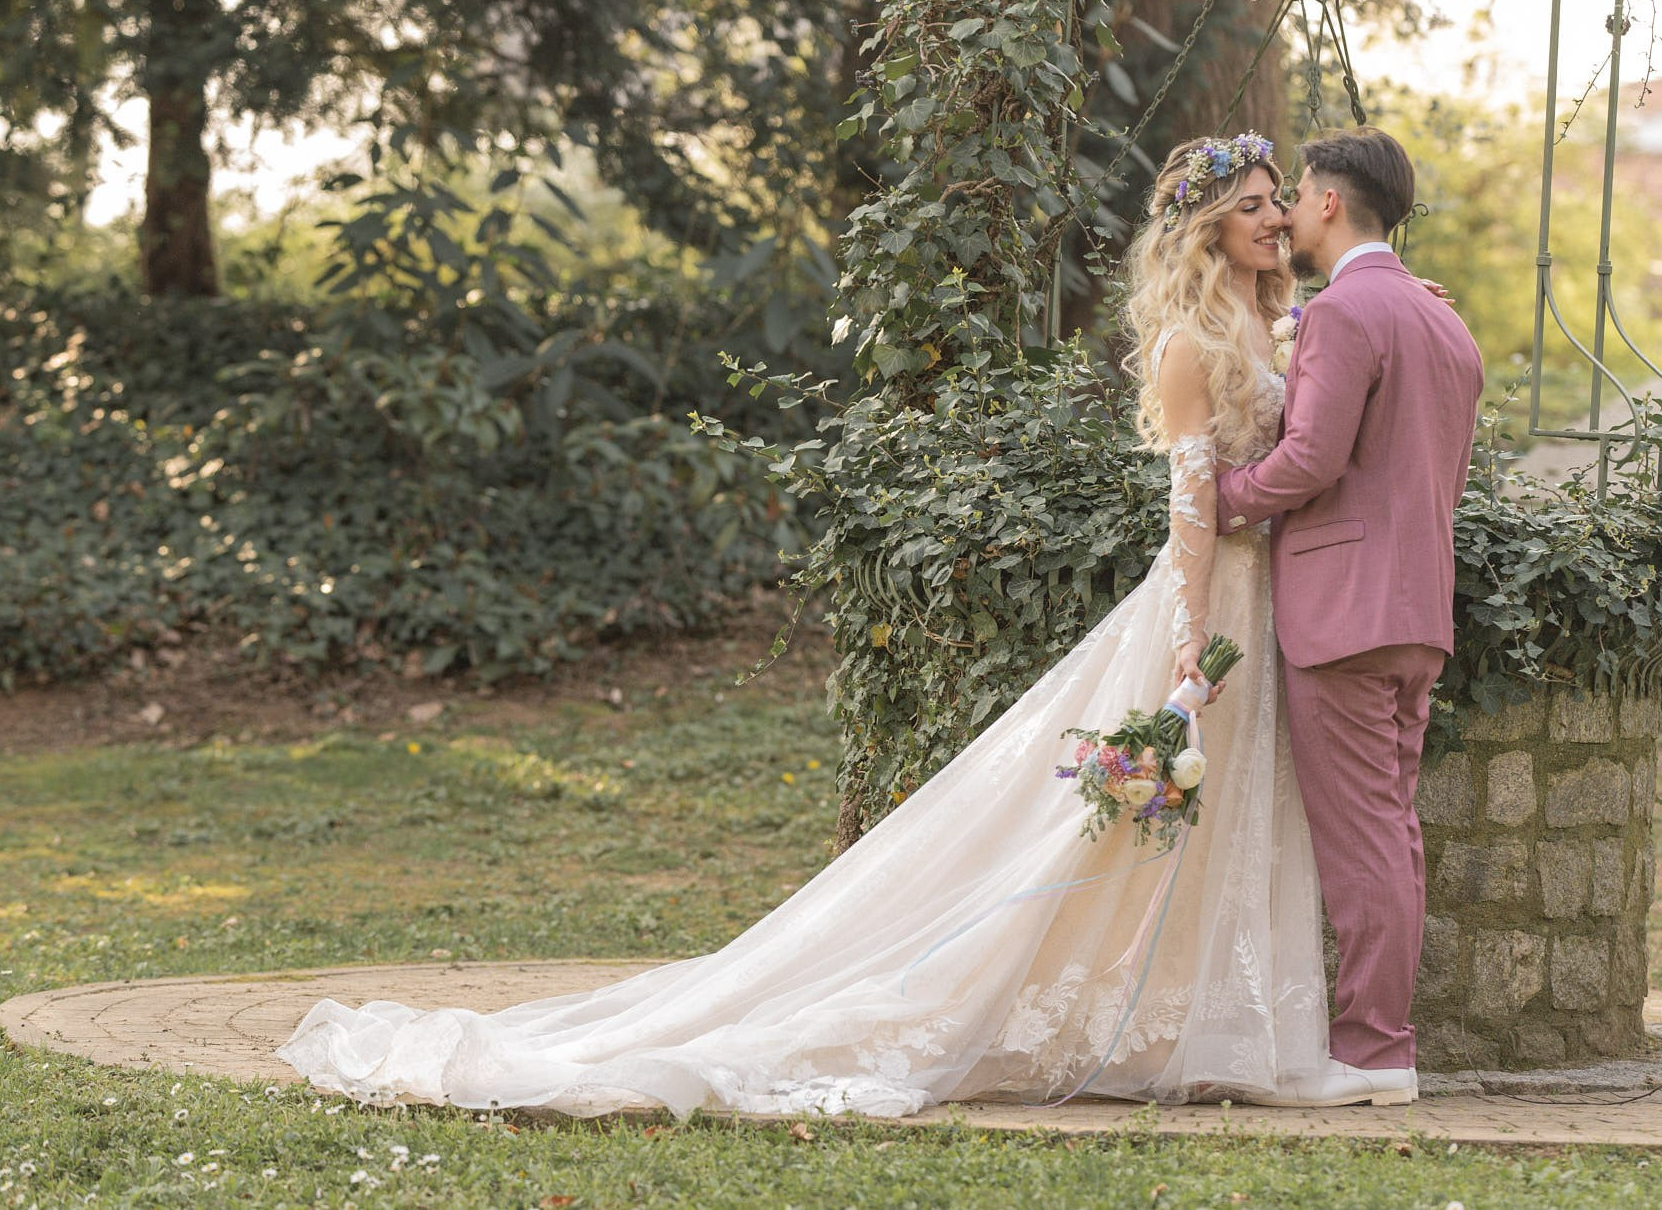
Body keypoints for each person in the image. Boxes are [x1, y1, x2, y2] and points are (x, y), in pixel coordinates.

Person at [276, 134, 1331, 1117]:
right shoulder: (1190, 343)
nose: (1275, 218)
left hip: (1261, 588)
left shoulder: (1271, 319)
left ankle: (1205, 1018)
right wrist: (1187, 636)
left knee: (1224, 807)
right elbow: (1189, 503)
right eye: (1251, 207)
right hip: (1207, 597)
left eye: (1275, 202)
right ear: (1203, 229)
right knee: (1145, 810)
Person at [1215, 127, 1484, 1109]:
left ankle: (1373, 1052)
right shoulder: (1439, 320)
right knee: (1391, 833)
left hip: (1343, 615)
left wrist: (1215, 495)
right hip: (1415, 610)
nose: (1280, 212)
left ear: (1329, 203)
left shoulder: (1342, 313)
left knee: (1365, 842)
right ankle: (1378, 1044)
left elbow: (1310, 460)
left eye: (1293, 197)